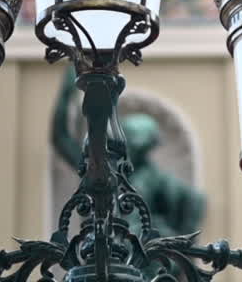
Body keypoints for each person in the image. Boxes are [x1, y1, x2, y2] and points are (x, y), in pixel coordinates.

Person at [52, 68, 206, 238]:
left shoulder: (157, 180)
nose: (125, 145)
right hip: (103, 248)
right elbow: (61, 138)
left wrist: (177, 235)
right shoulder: (100, 167)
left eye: (132, 140)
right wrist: (68, 87)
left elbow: (192, 202)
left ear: (144, 146)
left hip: (145, 255)